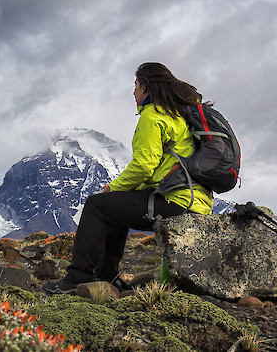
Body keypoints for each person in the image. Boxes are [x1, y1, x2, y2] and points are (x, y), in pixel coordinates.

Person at [43, 62, 214, 294]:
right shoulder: (178, 115)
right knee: (116, 208)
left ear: (146, 87)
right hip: (195, 202)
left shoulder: (154, 116)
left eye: (135, 85)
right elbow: (161, 168)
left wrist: (112, 188)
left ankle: (77, 278)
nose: (133, 91)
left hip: (177, 202)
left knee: (97, 205)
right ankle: (107, 279)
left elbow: (145, 166)